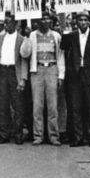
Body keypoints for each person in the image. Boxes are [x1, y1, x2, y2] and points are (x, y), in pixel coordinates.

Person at [21, 11, 65, 146]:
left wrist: (61, 75)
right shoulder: (32, 35)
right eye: (42, 19)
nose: (45, 21)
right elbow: (24, 53)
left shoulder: (56, 35)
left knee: (52, 106)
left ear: (51, 22)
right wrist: (27, 37)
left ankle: (53, 136)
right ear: (38, 21)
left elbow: (60, 56)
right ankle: (38, 135)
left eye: (48, 19)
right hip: (37, 70)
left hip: (52, 69)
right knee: (37, 106)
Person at [60, 11, 90, 148]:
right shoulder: (71, 36)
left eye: (85, 20)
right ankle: (77, 137)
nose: (83, 22)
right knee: (75, 107)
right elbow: (63, 47)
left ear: (89, 22)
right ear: (76, 22)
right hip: (75, 75)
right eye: (80, 20)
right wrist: (65, 30)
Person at [0, 13, 27, 145]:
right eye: (4, 22)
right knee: (2, 104)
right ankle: (3, 134)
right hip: (2, 71)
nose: (5, 25)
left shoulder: (22, 39)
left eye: (8, 22)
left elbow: (25, 59)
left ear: (16, 24)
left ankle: (18, 133)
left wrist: (23, 78)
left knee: (18, 105)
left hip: (14, 72)